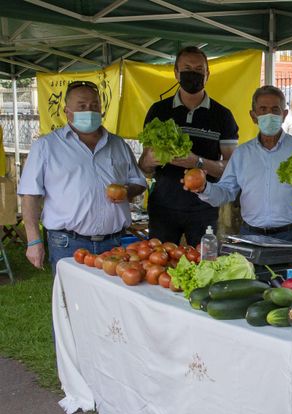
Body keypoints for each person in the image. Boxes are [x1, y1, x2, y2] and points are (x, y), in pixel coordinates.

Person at [19, 80, 146, 272]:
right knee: (70, 301)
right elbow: (30, 195)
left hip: (114, 243)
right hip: (67, 243)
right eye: (82, 106)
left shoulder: (118, 145)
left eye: (94, 106)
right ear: (66, 111)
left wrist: (127, 191)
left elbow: (138, 181)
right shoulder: (46, 146)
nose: (89, 110)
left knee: (111, 301)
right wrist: (33, 240)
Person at [185, 85, 292, 244]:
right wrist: (204, 188)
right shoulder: (242, 154)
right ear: (253, 116)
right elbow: (225, 192)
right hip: (251, 236)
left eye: (275, 109)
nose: (269, 114)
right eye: (263, 109)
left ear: (284, 114)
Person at [138, 46, 238, 246]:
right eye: (187, 68)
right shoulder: (159, 111)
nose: (193, 73)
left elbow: (231, 167)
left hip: (204, 208)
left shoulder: (222, 115)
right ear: (176, 73)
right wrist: (148, 161)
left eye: (199, 69)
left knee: (203, 266)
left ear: (207, 74)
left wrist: (198, 162)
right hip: (163, 207)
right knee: (158, 266)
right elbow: (144, 168)